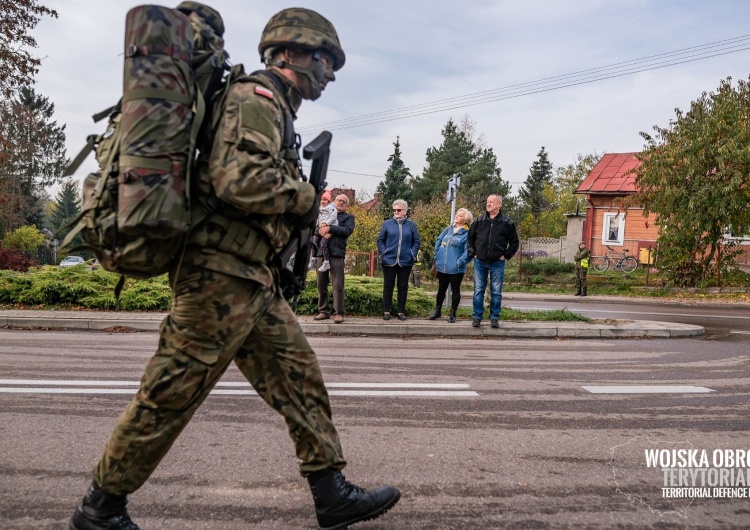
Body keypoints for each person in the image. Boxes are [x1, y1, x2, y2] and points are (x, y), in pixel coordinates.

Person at [68, 6, 400, 530]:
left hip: (251, 278)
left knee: (300, 378)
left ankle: (330, 491)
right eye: (323, 58)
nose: (330, 72)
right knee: (170, 393)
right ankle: (100, 508)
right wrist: (304, 195)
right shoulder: (256, 99)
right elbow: (238, 180)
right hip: (217, 278)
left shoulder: (277, 109)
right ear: (286, 53)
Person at [466, 194, 519, 329]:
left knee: (496, 291)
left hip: (497, 262)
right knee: (478, 290)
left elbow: (514, 243)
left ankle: (494, 317)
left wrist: (505, 255)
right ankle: (477, 316)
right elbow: (470, 239)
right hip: (480, 261)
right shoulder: (479, 221)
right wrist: (474, 253)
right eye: (487, 202)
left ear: (499, 204)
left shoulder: (507, 222)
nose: (488, 204)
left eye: (492, 202)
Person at [313, 193, 355, 323]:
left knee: (337, 285)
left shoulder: (348, 218)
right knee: (321, 284)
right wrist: (322, 230)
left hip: (337, 254)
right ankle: (323, 311)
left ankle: (339, 313)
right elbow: (313, 230)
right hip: (321, 253)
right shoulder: (323, 214)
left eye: (343, 201)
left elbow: (347, 231)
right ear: (334, 202)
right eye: (338, 200)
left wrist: (330, 228)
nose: (340, 203)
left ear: (346, 205)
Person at [377, 199, 420, 321]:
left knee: (403, 286)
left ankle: (401, 311)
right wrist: (384, 252)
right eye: (394, 210)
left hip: (405, 261)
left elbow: (416, 241)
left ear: (405, 211)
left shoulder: (412, 225)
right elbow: (380, 240)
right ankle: (386, 310)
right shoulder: (387, 224)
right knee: (388, 286)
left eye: (399, 210)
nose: (396, 211)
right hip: (389, 260)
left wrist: (412, 253)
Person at [429, 208, 473, 323]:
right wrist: (437, 254)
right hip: (442, 266)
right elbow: (439, 240)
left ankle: (453, 313)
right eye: (457, 214)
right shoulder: (448, 230)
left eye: (460, 215)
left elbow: (468, 251)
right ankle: (437, 311)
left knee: (455, 290)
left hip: (456, 268)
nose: (457, 216)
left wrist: (460, 262)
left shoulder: (467, 234)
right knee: (441, 289)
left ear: (466, 220)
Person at [309, 189, 338, 272]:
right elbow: (318, 217)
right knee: (314, 242)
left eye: (324, 200)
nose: (322, 201)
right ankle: (313, 259)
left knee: (323, 244)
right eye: (321, 199)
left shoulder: (331, 208)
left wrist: (326, 223)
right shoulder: (320, 207)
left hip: (329, 225)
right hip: (321, 226)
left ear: (328, 200)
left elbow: (333, 218)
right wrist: (317, 223)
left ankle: (326, 262)